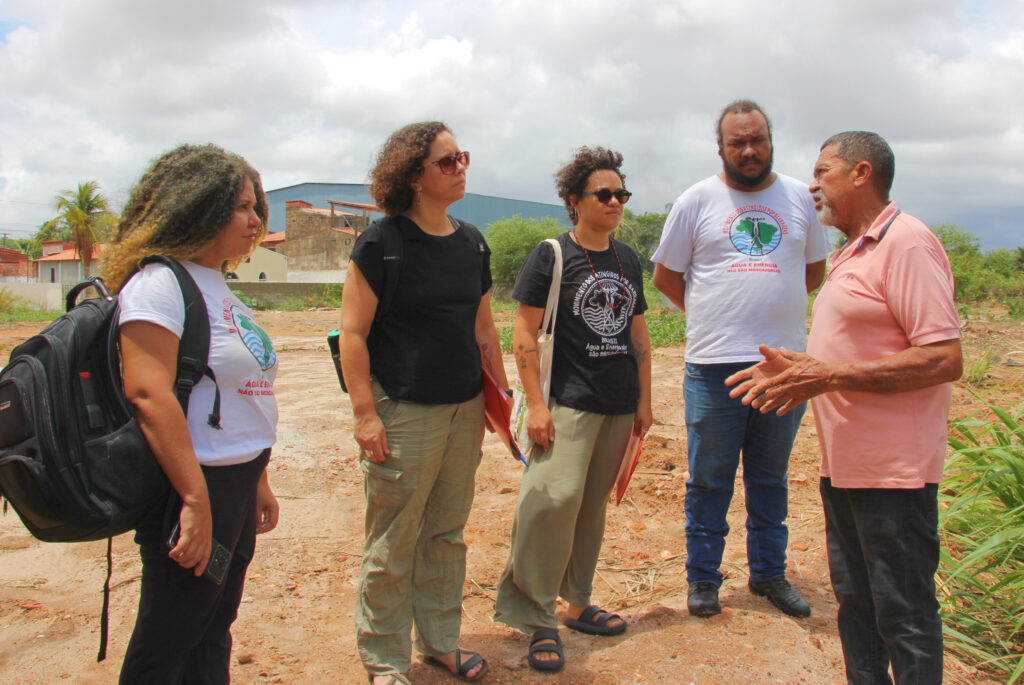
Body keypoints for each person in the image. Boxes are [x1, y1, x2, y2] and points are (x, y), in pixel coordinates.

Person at [726, 131, 962, 684]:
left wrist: (829, 375)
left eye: (823, 171)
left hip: (895, 475)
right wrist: (801, 366)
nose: (813, 185)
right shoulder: (852, 252)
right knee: (856, 608)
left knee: (903, 614)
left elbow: (943, 358)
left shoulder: (906, 243)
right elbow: (858, 350)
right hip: (847, 469)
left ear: (861, 173)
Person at [101, 144, 280, 684]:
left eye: (257, 208)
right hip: (192, 487)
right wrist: (195, 501)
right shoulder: (160, 284)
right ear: (196, 206)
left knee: (212, 624)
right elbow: (150, 394)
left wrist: (258, 481)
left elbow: (240, 396)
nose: (256, 221)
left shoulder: (218, 286)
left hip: (233, 486)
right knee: (171, 632)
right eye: (243, 207)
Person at [340, 121, 507, 685]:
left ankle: (440, 641)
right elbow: (353, 335)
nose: (460, 168)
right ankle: (384, 659)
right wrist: (365, 414)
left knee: (445, 533)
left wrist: (500, 399)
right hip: (403, 411)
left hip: (463, 409)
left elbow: (484, 328)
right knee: (394, 538)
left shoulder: (473, 241)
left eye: (462, 157)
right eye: (446, 161)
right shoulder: (381, 243)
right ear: (413, 175)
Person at [651, 99, 828, 618]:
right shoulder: (695, 201)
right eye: (737, 142)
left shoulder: (798, 197)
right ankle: (703, 579)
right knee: (709, 478)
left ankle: (769, 575)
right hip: (712, 370)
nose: (748, 150)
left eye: (757, 140)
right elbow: (666, 277)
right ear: (721, 148)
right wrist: (713, 316)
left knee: (770, 478)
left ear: (770, 141)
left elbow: (812, 271)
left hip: (783, 368)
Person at [493, 146, 652, 673]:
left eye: (621, 194)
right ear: (573, 200)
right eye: (603, 194)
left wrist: (645, 403)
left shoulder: (628, 258)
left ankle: (577, 602)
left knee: (591, 505)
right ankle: (537, 614)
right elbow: (523, 331)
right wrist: (536, 404)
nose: (615, 202)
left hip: (619, 402)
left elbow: (638, 336)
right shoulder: (552, 255)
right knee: (552, 498)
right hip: (568, 402)